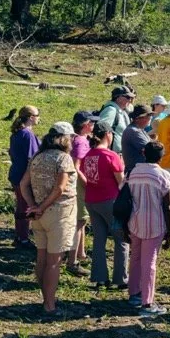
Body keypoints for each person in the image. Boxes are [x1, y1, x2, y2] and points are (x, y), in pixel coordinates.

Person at [19, 123, 79, 316]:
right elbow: (60, 188)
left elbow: (23, 184)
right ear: (64, 139)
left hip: (38, 215)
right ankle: (49, 304)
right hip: (60, 213)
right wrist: (42, 206)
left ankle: (45, 296)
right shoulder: (64, 159)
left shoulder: (38, 157)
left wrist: (33, 206)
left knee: (41, 258)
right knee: (54, 261)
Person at [126, 140, 170, 315]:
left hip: (135, 221)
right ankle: (147, 303)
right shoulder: (163, 176)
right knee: (150, 263)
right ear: (161, 157)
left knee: (136, 258)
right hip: (155, 223)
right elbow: (168, 207)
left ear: (144, 154)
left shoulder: (133, 172)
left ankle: (134, 293)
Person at [81, 121, 127, 290]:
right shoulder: (111, 156)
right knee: (121, 238)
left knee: (99, 239)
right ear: (108, 134)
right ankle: (120, 278)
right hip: (110, 201)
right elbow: (120, 182)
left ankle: (100, 277)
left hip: (92, 199)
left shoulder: (88, 155)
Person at [67, 110, 98, 275]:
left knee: (82, 221)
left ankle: (81, 253)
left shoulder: (76, 139)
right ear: (86, 125)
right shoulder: (80, 142)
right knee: (78, 222)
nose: (93, 126)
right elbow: (76, 166)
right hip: (79, 186)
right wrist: (87, 184)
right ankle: (72, 262)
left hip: (76, 185)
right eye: (91, 123)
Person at [8, 106, 41, 250]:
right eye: (37, 115)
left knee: (21, 205)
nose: (39, 117)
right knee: (25, 206)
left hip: (16, 173)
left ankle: (20, 235)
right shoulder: (27, 134)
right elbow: (31, 158)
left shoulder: (17, 133)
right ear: (31, 117)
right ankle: (23, 238)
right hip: (23, 176)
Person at [99, 86, 135, 154]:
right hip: (111, 154)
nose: (130, 100)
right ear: (118, 98)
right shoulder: (111, 110)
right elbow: (101, 129)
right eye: (127, 97)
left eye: (131, 98)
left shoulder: (122, 111)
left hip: (120, 154)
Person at [121, 104, 153, 172]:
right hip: (136, 172)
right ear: (138, 118)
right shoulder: (133, 131)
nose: (150, 118)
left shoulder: (139, 130)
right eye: (148, 116)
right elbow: (152, 149)